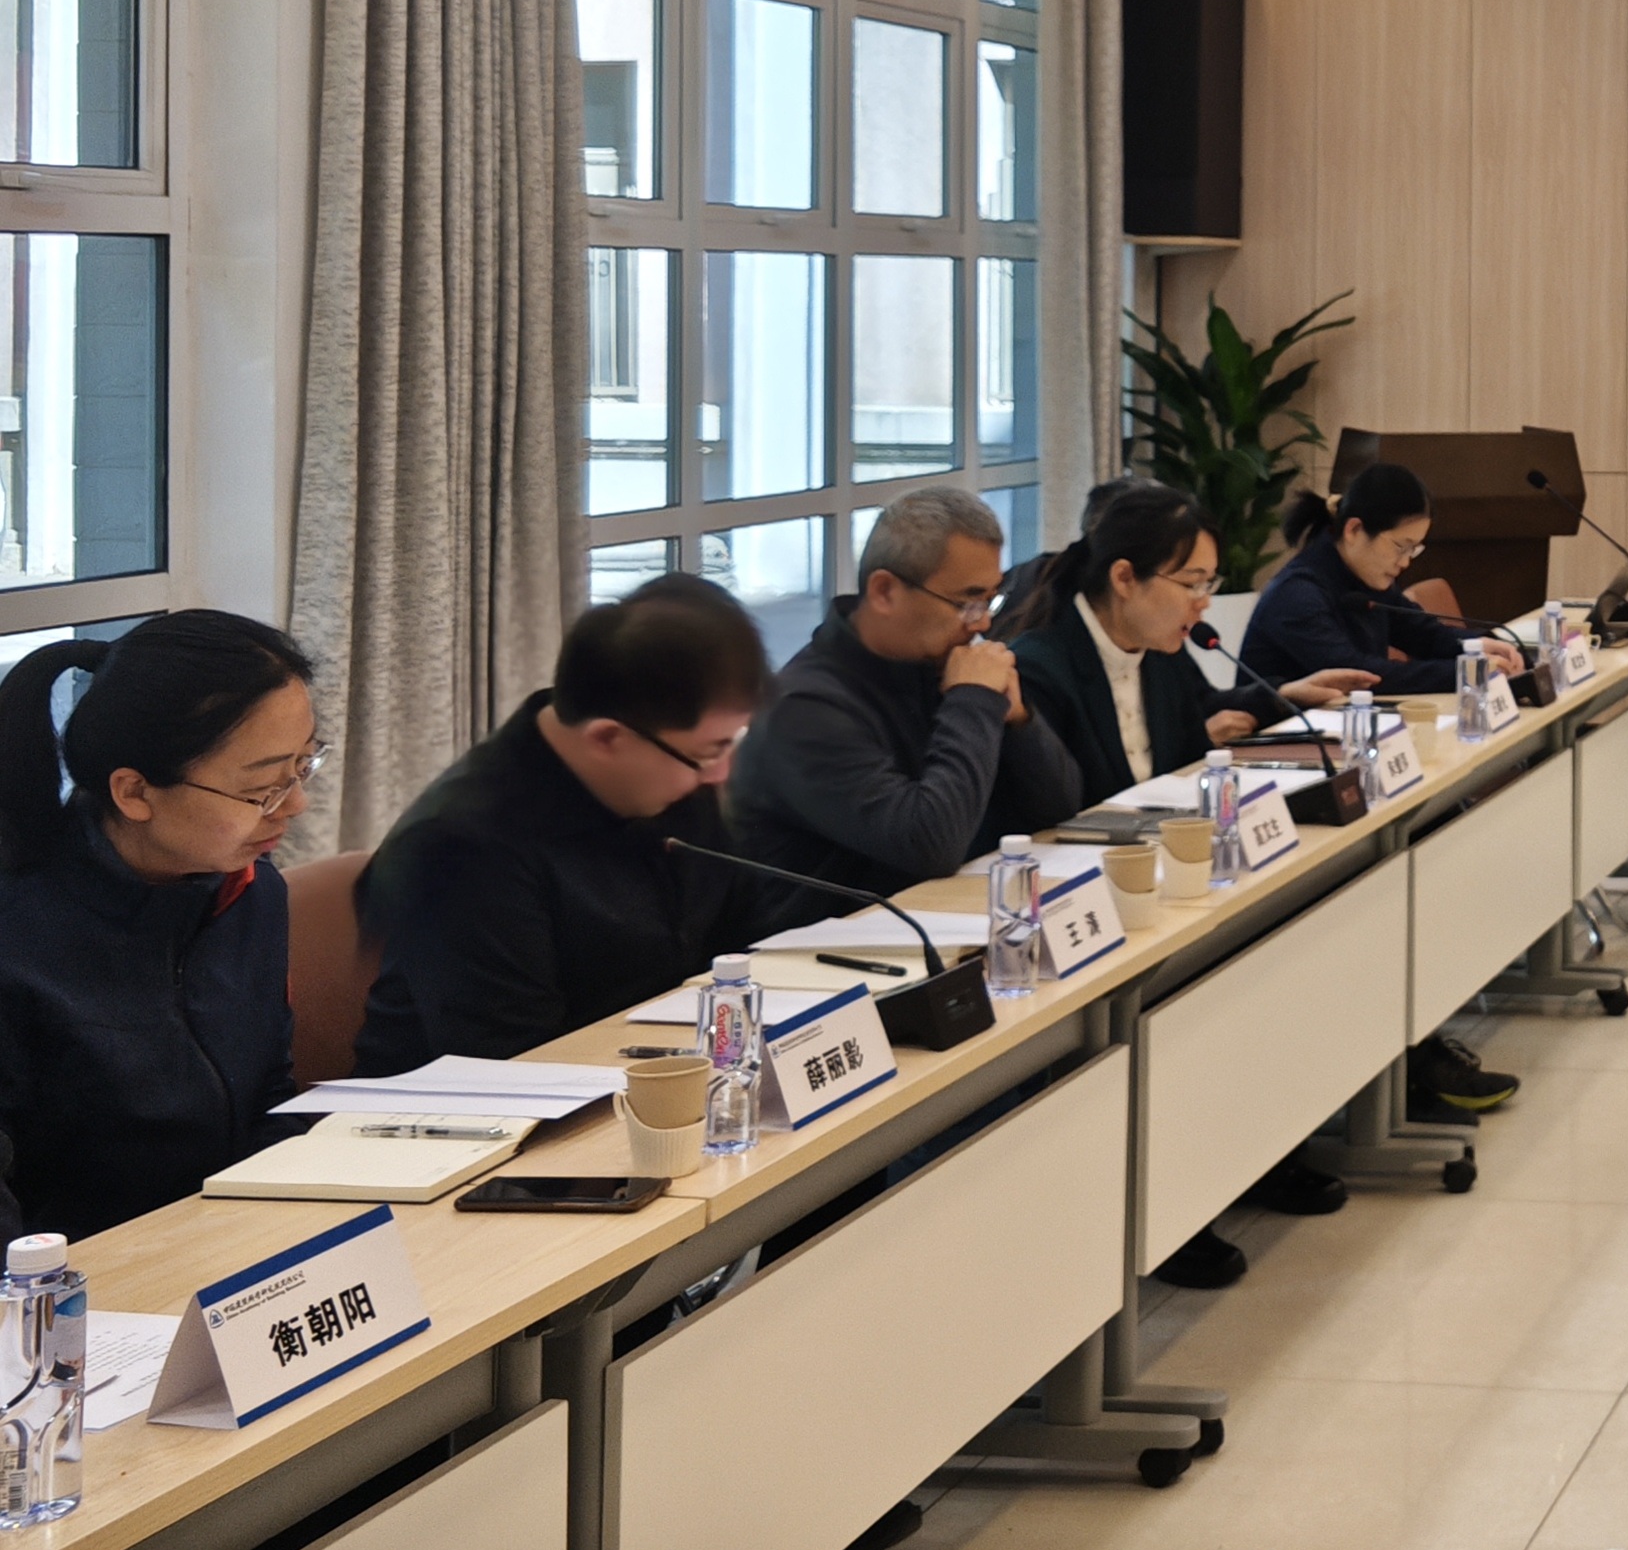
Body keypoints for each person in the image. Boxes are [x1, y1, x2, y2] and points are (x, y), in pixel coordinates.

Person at [352, 577, 821, 1072]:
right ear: (607, 738)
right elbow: (514, 1061)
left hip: (664, 1075)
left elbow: (742, 948)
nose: (720, 773)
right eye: (711, 752)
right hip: (491, 1104)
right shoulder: (459, 846)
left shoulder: (671, 768)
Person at [0, 614, 321, 1241]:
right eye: (262, 788)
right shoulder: (19, 932)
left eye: (304, 766)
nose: (296, 805)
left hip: (223, 1249)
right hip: (80, 1278)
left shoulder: (250, 893)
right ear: (134, 792)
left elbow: (267, 1096)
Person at [726, 487, 1085, 897]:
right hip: (839, 931)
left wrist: (1019, 720)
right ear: (884, 591)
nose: (982, 624)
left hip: (954, 913)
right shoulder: (804, 708)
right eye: (966, 603)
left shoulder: (941, 666)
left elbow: (1059, 810)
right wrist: (973, 702)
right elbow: (930, 845)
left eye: (991, 600)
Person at [1002, 481, 1378, 807]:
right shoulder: (1039, 668)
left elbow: (1197, 726)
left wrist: (1282, 697)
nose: (1204, 601)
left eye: (1209, 583)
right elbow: (1060, 809)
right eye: (1192, 583)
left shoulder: (1160, 650)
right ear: (1124, 578)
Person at [1239, 463, 1522, 695]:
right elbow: (1358, 675)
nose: (1405, 562)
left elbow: (1424, 634)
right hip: (1276, 739)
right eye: (1400, 546)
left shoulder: (1366, 577)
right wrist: (1467, 672)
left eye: (1414, 549)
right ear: (1354, 530)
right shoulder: (1297, 594)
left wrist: (1476, 646)